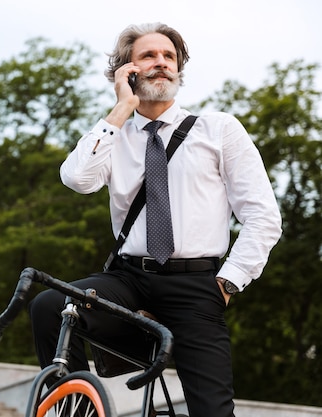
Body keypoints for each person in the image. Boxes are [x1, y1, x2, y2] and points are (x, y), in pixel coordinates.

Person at [28, 22, 282, 417]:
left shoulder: (219, 129)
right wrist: (122, 107)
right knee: (49, 306)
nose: (161, 63)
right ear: (127, 70)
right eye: (148, 55)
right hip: (129, 279)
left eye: (169, 57)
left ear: (179, 69)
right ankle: (76, 411)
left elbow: (263, 215)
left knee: (214, 411)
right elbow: (78, 179)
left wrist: (228, 282)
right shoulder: (115, 134)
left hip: (198, 284)